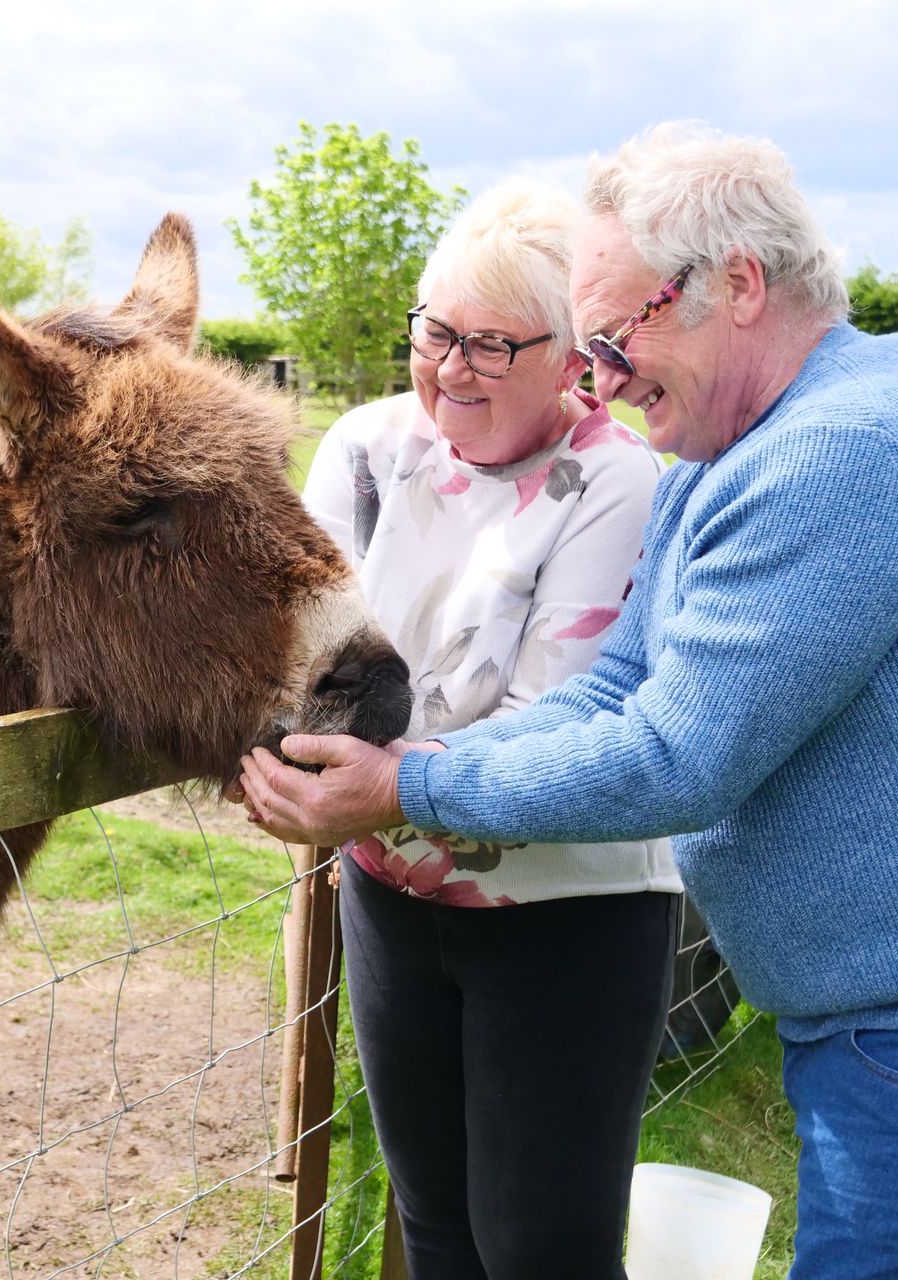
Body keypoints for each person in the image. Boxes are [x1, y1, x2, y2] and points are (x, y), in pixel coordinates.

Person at [239, 122, 898, 1279]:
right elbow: (626, 683)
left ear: (738, 284)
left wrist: (405, 781)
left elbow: (675, 751)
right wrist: (405, 781)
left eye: (616, 333)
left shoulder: (839, 456)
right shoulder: (732, 453)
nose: (604, 376)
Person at [299, 178, 680, 1279]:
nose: (448, 368)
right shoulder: (369, 452)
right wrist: (288, 769)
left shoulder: (614, 482)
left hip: (565, 911)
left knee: (541, 1246)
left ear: (570, 355)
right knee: (437, 1228)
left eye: (490, 345)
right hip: (388, 891)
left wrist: (366, 779)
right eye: (435, 332)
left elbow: (550, 726)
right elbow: (297, 662)